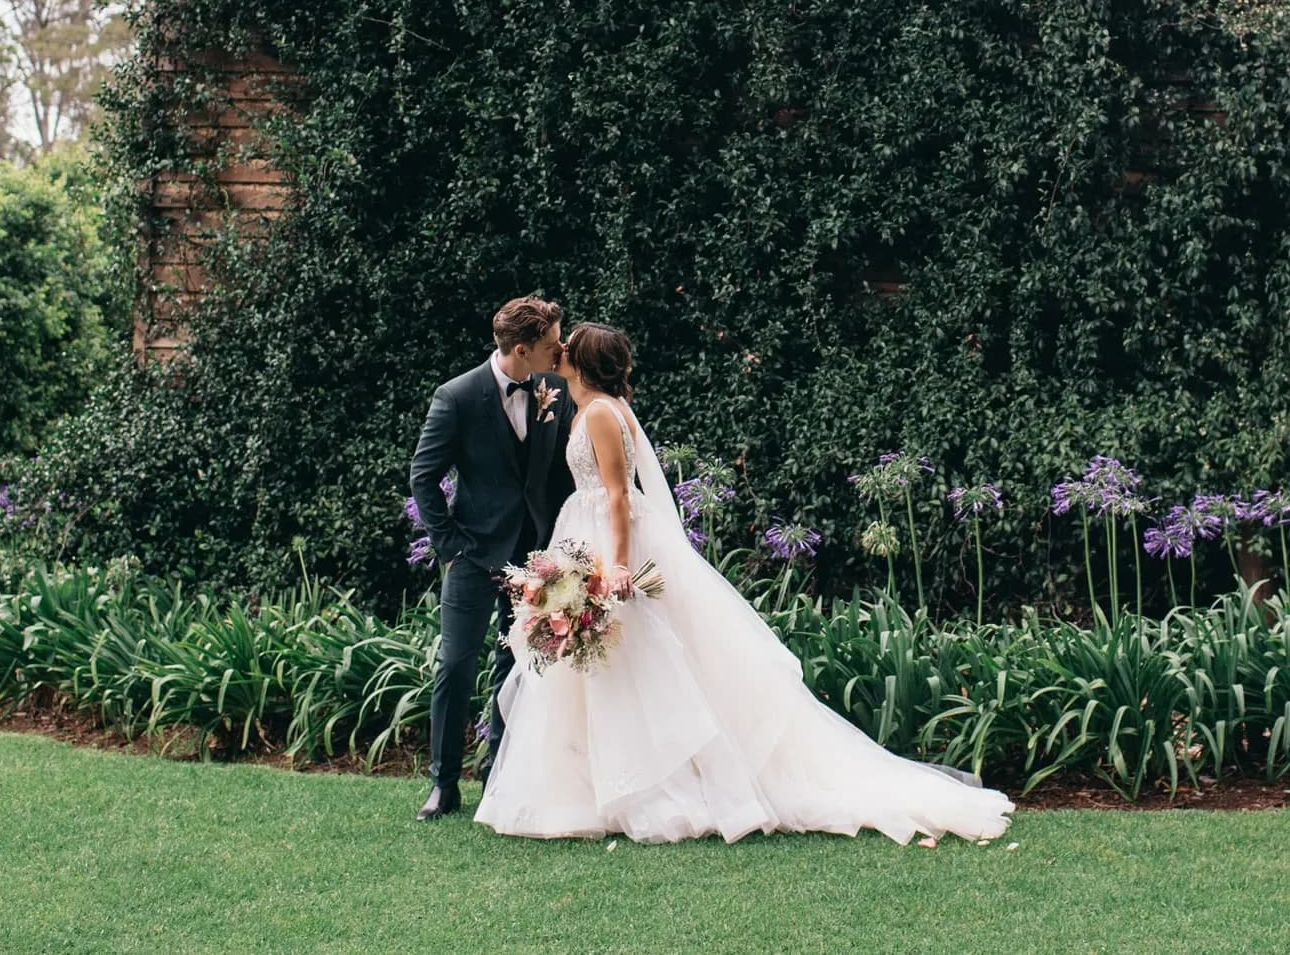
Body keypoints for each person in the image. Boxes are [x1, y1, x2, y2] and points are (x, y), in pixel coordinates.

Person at [473, 320, 1013, 844]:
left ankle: (653, 788)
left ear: (585, 362)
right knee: (610, 670)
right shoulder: (586, 407)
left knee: (634, 667)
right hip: (582, 533)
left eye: (569, 345)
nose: (559, 349)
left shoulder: (600, 415)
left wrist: (615, 567)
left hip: (609, 541)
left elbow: (616, 494)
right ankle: (594, 785)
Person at [408, 295, 577, 821]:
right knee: (455, 666)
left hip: (534, 559)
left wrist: (565, 543)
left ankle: (498, 776)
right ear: (522, 350)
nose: (562, 349)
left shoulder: (556, 389)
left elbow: (562, 473)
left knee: (517, 667)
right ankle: (443, 784)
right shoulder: (456, 396)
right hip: (473, 558)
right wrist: (451, 548)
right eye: (552, 344)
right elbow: (424, 477)